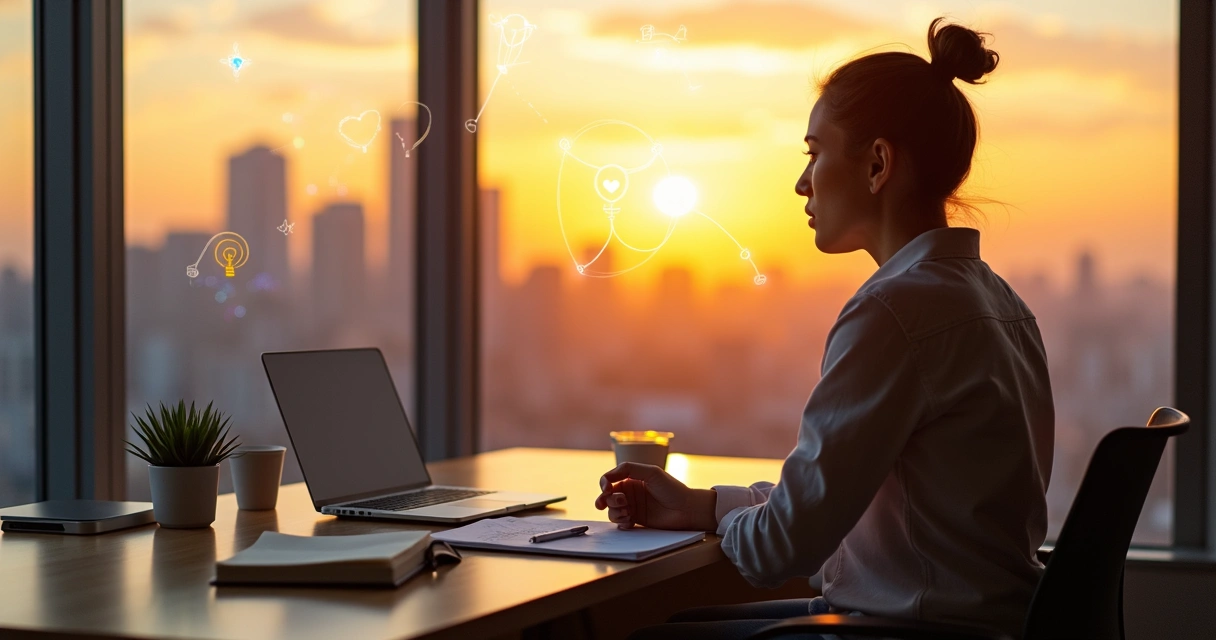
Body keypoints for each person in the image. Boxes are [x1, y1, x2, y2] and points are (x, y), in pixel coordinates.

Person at [596, 17, 1054, 640]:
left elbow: (778, 551)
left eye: (814, 153)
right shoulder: (1000, 302)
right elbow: (840, 496)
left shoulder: (894, 313)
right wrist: (701, 505)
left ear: (877, 164)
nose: (801, 182)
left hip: (907, 630)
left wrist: (730, 524)